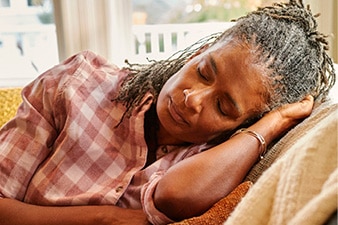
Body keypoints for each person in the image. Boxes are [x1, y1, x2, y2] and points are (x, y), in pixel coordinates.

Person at [0, 0, 335, 224]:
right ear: (199, 52)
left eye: (223, 107)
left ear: (246, 121)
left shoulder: (210, 160)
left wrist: (271, 124)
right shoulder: (77, 83)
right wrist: (104, 219)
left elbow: (174, 197)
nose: (192, 98)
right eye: (204, 71)